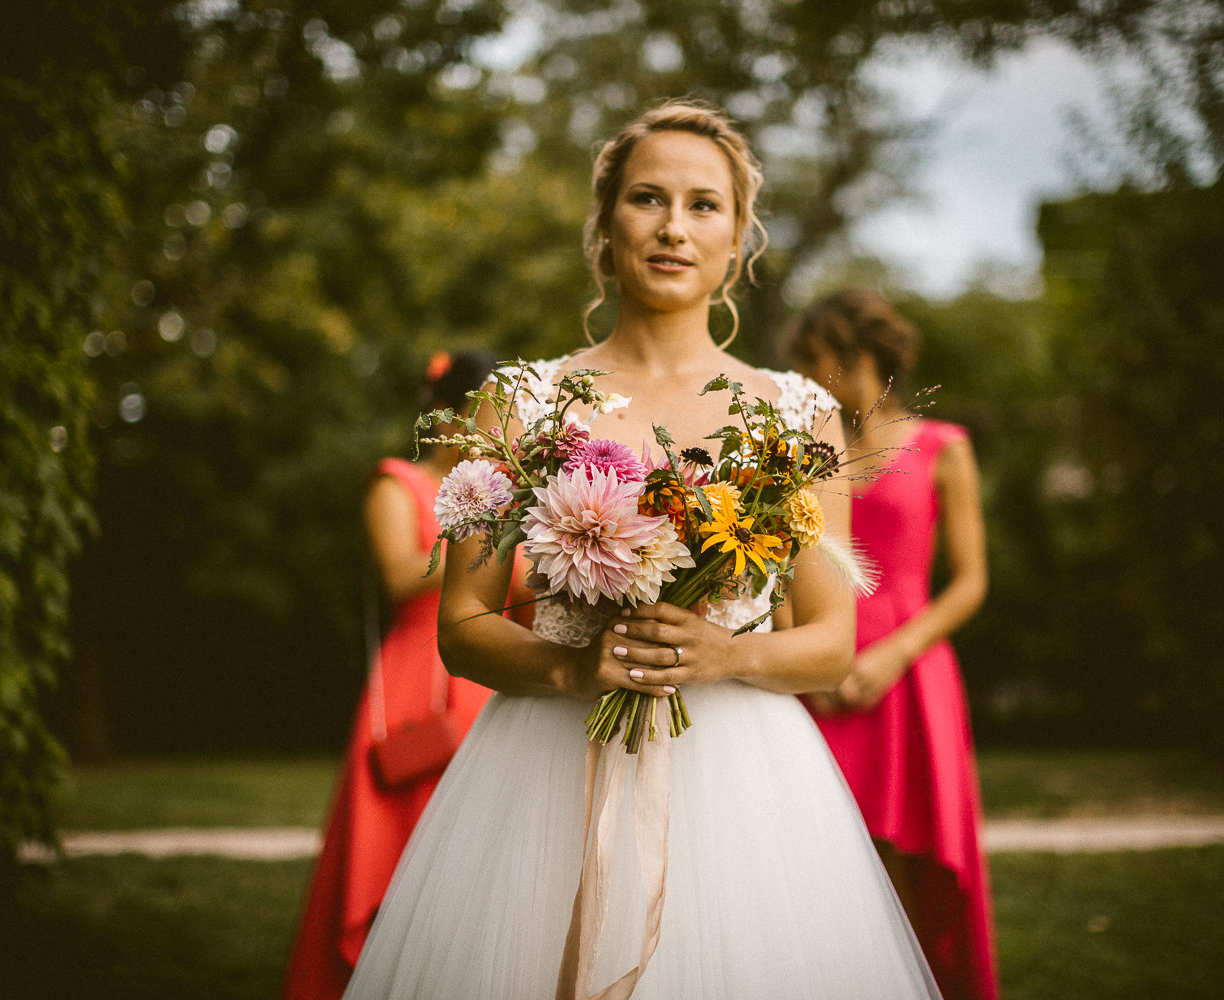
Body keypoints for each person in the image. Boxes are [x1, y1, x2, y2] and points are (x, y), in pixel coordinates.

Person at [341, 101, 942, 1000]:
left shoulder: (795, 415)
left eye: (704, 205)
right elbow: (461, 626)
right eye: (647, 198)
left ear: (739, 236)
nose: (673, 226)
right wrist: (576, 666)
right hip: (541, 767)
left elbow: (828, 641)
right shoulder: (520, 403)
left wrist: (721, 651)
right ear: (605, 225)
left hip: (740, 782)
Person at [783, 288, 1000, 1000]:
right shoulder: (813, 456)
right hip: (820, 661)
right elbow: (787, 567)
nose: (808, 381)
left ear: (854, 355)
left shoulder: (946, 448)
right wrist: (802, 662)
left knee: (914, 858)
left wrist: (891, 656)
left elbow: (968, 584)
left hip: (908, 669)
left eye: (815, 362)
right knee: (824, 857)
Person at [280, 350, 500, 1000]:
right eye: (482, 415)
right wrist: (481, 536)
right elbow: (401, 574)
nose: (492, 431)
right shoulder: (396, 482)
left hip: (488, 677)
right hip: (418, 672)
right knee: (403, 839)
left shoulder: (503, 492)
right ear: (447, 413)